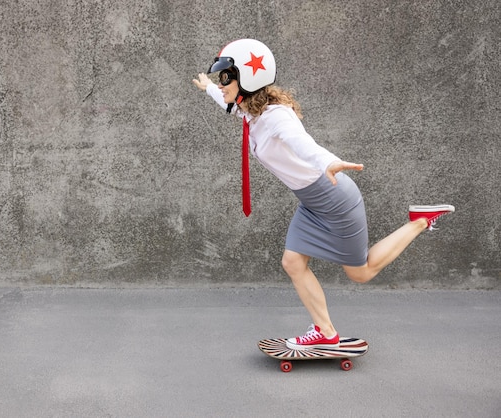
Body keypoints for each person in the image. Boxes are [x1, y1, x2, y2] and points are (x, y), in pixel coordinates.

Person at [192, 39, 454, 349]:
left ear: (247, 80)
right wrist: (210, 87)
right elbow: (228, 104)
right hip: (311, 202)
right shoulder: (249, 110)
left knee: (361, 273)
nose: (222, 85)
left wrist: (329, 162)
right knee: (292, 262)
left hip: (334, 198)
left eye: (227, 78)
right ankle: (326, 332)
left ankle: (420, 222)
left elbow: (303, 144)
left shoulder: (277, 117)